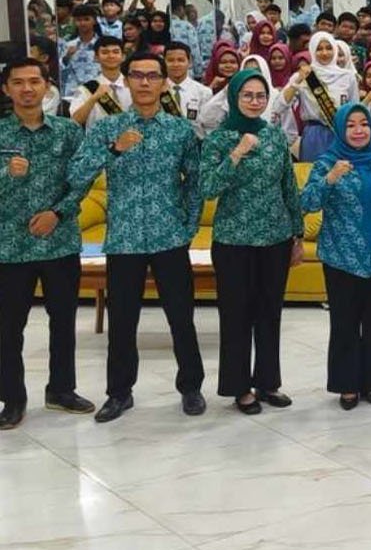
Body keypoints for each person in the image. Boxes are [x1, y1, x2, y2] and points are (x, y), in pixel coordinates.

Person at [64, 50, 205, 423]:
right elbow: (78, 174)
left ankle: (191, 387)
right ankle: (119, 392)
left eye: (152, 76)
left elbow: (196, 182)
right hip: (124, 238)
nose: (145, 82)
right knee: (122, 320)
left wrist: (188, 226)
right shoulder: (107, 129)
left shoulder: (179, 131)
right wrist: (115, 149)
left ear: (163, 82)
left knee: (181, 316)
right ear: (126, 81)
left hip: (169, 238)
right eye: (137, 76)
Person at [200, 70, 304, 414]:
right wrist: (237, 153)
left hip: (274, 239)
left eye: (260, 96)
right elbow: (208, 188)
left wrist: (297, 234)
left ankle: (268, 382)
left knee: (269, 314)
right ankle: (239, 387)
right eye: (247, 95)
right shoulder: (219, 139)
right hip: (234, 241)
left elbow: (288, 185)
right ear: (233, 97)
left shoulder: (275, 137)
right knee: (236, 315)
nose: (254, 101)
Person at [0, 60, 93, 430]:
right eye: (18, 83)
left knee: (63, 321)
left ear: (47, 87)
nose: (27, 89)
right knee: (8, 327)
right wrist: (8, 174)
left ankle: (62, 390)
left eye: (34, 81)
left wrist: (57, 212)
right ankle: (13, 398)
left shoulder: (69, 132)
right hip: (10, 246)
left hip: (60, 242)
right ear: (6, 89)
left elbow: (82, 180)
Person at [301, 103, 371, 410]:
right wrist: (331, 179)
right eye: (351, 125)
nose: (359, 130)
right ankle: (347, 385)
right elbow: (306, 202)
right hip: (341, 256)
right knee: (345, 322)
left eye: (364, 124)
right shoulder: (326, 162)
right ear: (340, 129)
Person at [276, 30, 360, 162]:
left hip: (341, 134)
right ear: (312, 51)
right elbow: (280, 106)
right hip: (314, 135)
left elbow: (355, 109)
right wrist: (298, 81)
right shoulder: (304, 74)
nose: (325, 53)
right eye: (319, 49)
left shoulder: (347, 76)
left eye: (329, 48)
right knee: (313, 177)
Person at [69, 36, 132, 128]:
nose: (111, 56)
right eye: (105, 52)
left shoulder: (133, 85)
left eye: (116, 52)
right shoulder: (87, 89)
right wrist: (94, 98)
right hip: (97, 141)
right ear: (96, 57)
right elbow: (75, 121)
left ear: (123, 57)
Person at [161, 41, 210, 137]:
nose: (176, 64)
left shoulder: (204, 92)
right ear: (163, 62)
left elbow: (207, 126)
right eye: (170, 60)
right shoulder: (156, 90)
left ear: (190, 62)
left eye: (181, 60)